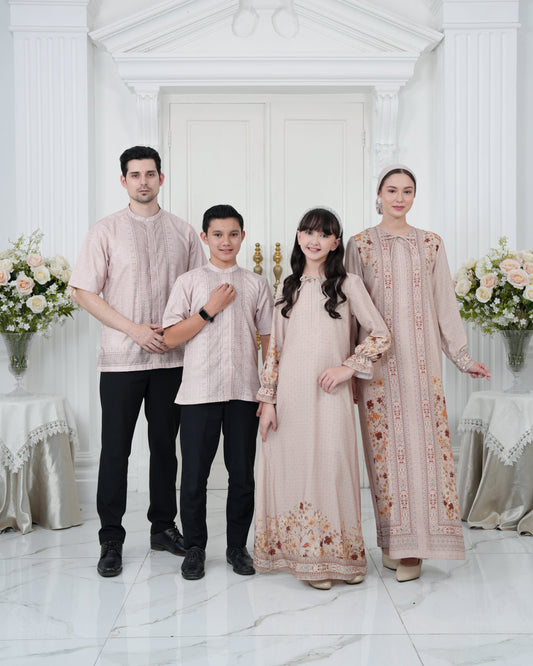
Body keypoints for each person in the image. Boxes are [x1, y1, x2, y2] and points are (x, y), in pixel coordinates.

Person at [345, 164, 491, 582]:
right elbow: (351, 309)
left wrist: (462, 356)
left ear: (414, 196)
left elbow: (444, 303)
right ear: (378, 194)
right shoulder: (359, 244)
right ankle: (394, 544)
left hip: (422, 366)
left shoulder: (430, 243)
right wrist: (353, 367)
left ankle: (417, 550)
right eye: (392, 190)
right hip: (377, 368)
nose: (399, 197)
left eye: (407, 191)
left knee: (424, 455)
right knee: (384, 458)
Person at [69, 146, 206, 578]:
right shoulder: (105, 231)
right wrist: (135, 330)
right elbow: (83, 291)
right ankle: (111, 537)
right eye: (135, 175)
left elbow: (200, 292)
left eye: (150, 174)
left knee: (166, 448)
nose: (143, 181)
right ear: (123, 181)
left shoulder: (184, 233)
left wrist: (173, 333)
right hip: (121, 360)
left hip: (172, 359)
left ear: (161, 179)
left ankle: (162, 528)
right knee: (116, 450)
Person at [254, 208, 391, 590]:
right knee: (294, 471)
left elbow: (380, 334)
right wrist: (268, 401)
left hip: (331, 395)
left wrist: (348, 367)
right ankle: (307, 558)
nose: (314, 240)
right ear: (299, 237)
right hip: (290, 396)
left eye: (324, 234)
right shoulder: (286, 287)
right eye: (308, 232)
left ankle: (339, 557)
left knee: (332, 468)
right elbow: (274, 350)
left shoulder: (348, 285)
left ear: (335, 243)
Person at [162, 204, 273, 580]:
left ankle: (237, 547)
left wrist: (269, 391)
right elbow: (171, 337)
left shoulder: (256, 283)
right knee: (194, 476)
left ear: (243, 237)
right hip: (198, 393)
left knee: (242, 475)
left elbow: (270, 342)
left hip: (244, 392)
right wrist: (209, 309)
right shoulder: (189, 282)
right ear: (204, 237)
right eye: (218, 234)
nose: (226, 241)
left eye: (233, 234)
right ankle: (195, 548)